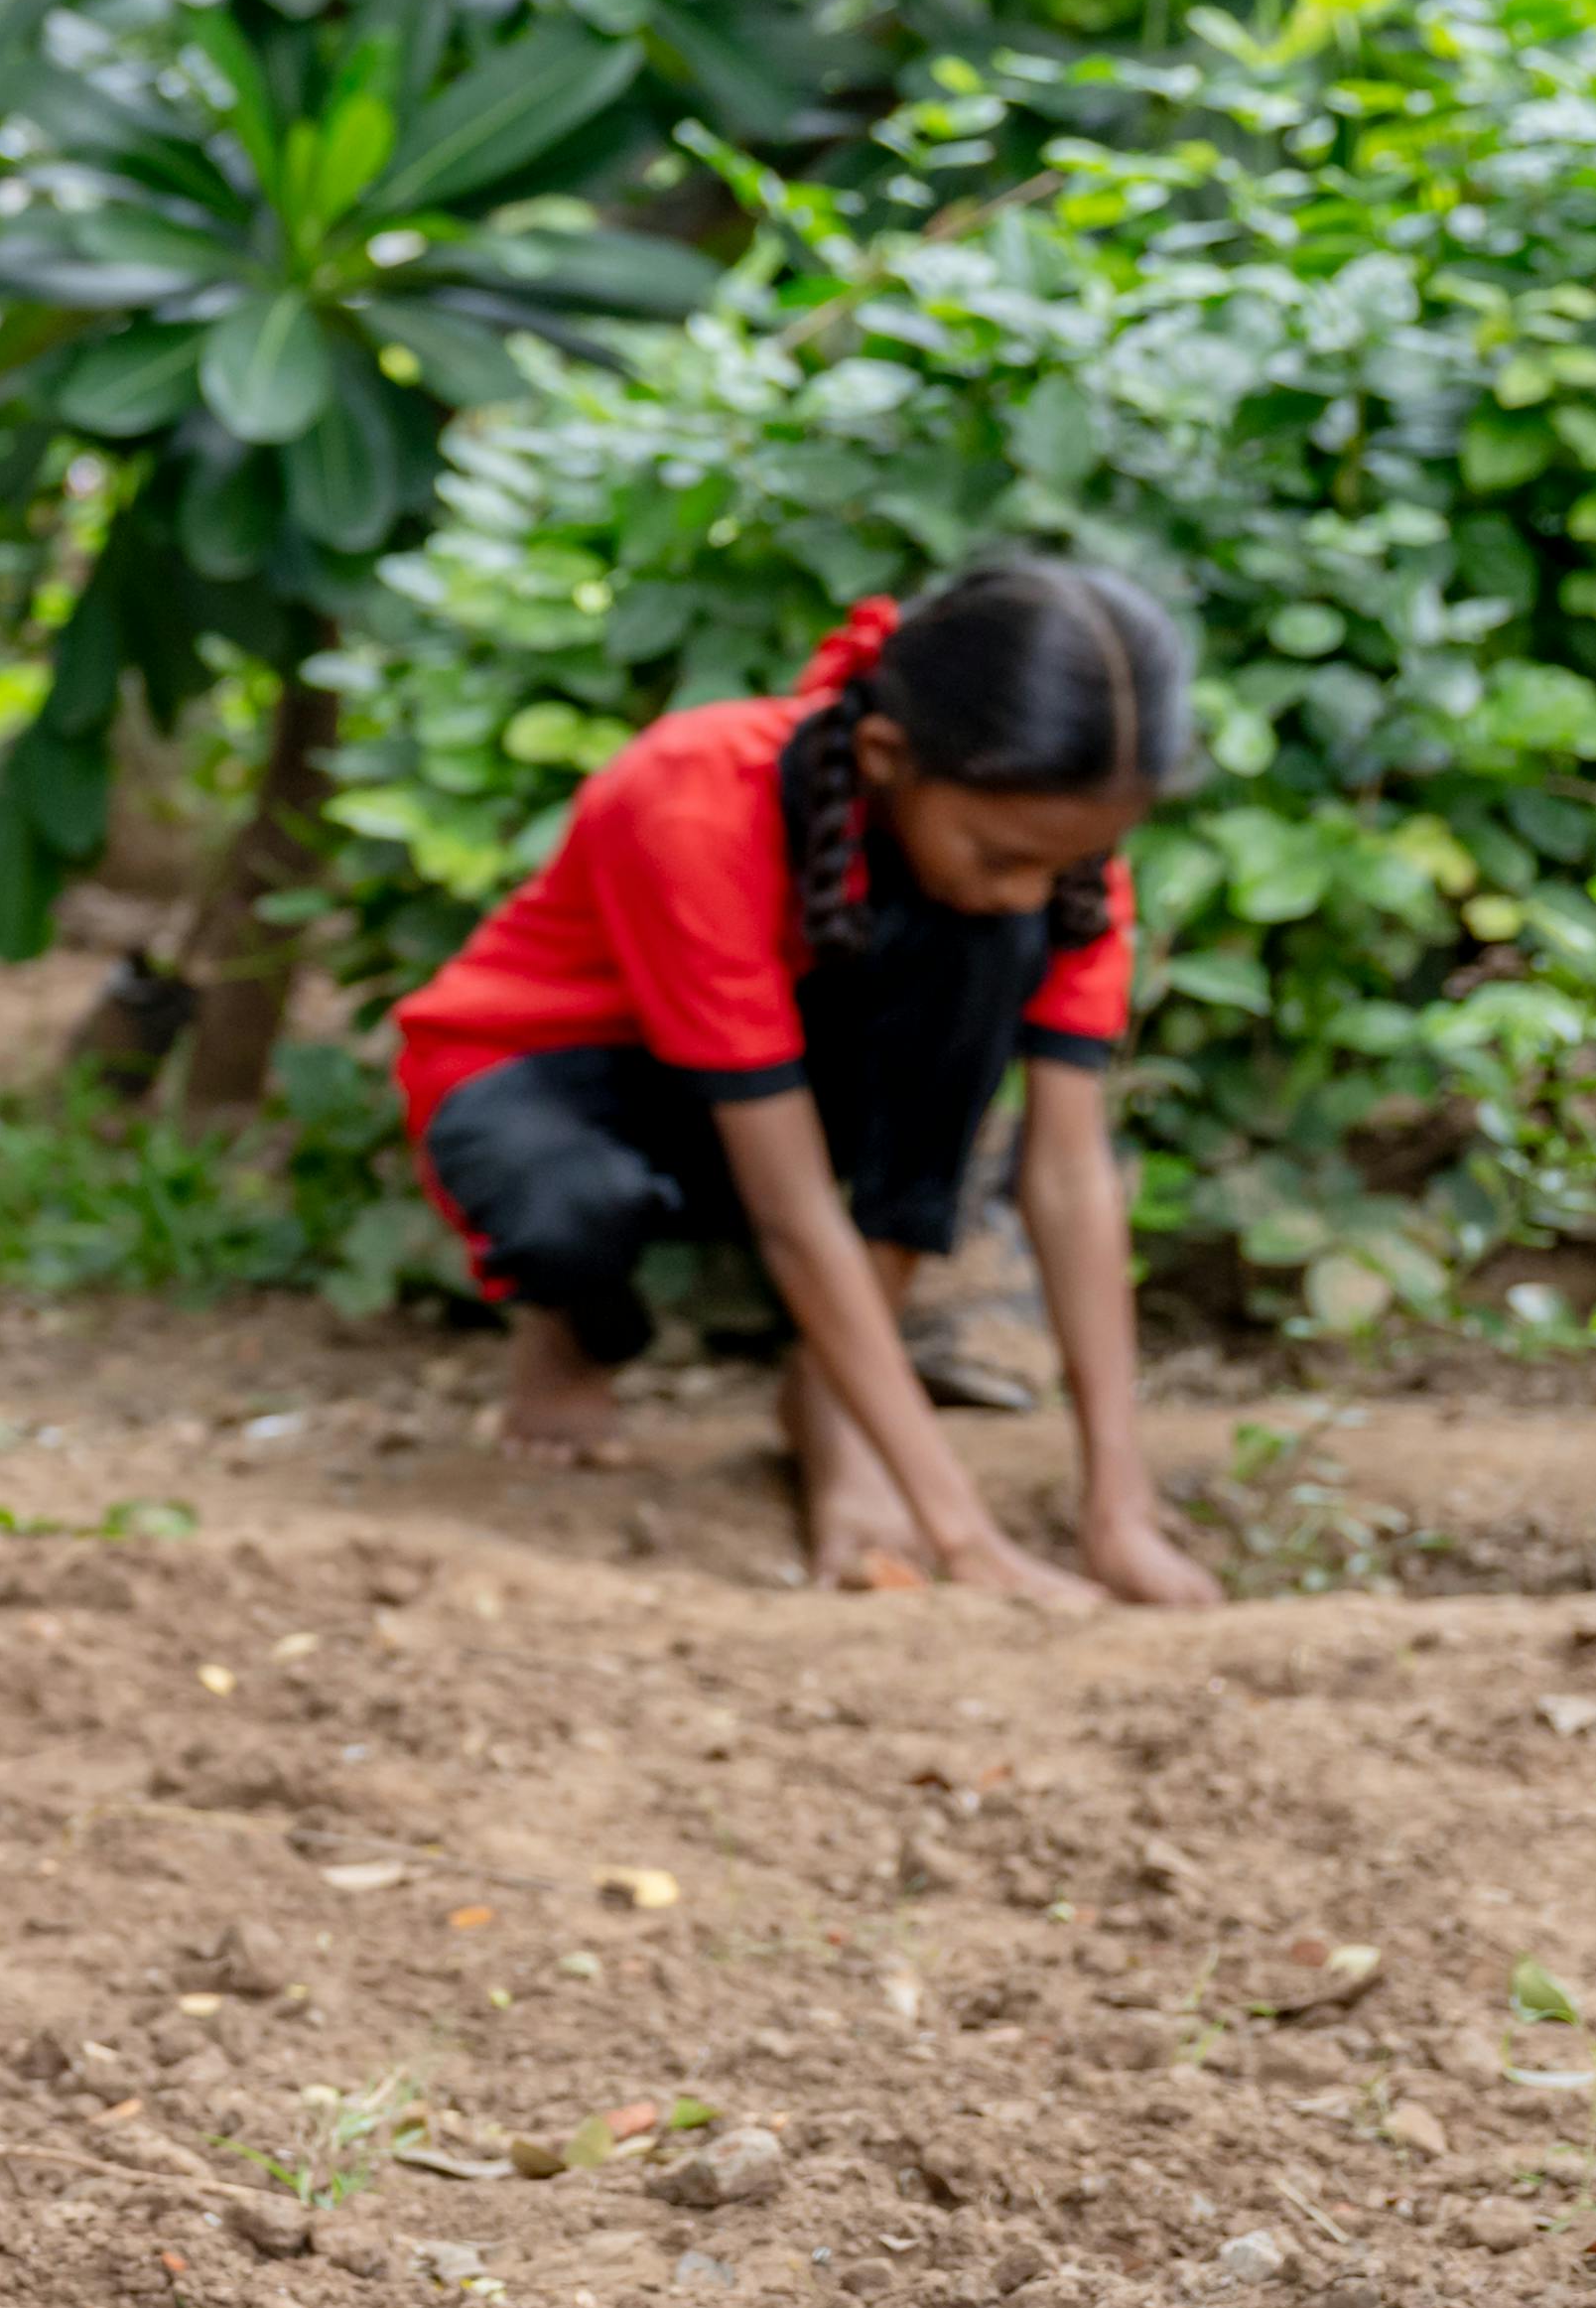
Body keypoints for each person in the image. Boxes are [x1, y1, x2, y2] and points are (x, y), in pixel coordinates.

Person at [385, 555, 1218, 1610]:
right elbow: (789, 1206)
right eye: (1002, 852)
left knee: (985, 941)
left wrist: (1119, 1511)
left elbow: (1066, 1173)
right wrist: (960, 1537)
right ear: (882, 754)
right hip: (558, 1075)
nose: (1031, 887)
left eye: (1059, 864)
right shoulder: (691, 796)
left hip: (777, 1094)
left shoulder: (1050, 862)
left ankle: (828, 1403)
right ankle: (572, 1332)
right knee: (566, 1212)